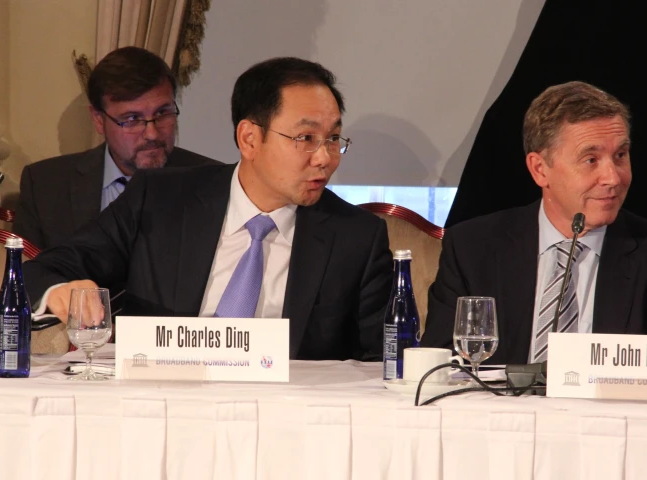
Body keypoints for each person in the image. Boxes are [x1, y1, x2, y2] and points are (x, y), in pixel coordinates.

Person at [22, 57, 393, 361]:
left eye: (332, 139)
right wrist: (60, 290)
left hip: (286, 425)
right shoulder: (161, 200)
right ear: (249, 138)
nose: (324, 158)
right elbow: (42, 272)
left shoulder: (355, 237)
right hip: (158, 410)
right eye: (305, 138)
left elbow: (383, 362)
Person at [422, 81, 647, 364]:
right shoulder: (473, 248)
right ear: (540, 170)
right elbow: (442, 364)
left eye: (620, 155)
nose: (613, 177)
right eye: (591, 159)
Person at [13, 46, 219, 250]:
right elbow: (27, 275)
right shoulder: (44, 185)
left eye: (163, 113)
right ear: (99, 120)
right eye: (132, 119)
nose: (152, 134)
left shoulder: (212, 182)